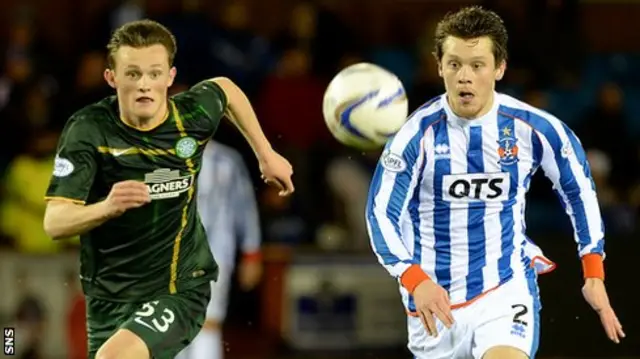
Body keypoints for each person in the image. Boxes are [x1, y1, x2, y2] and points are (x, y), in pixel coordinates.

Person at [365, 6, 624, 359]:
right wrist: (413, 279)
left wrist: (593, 270)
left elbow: (579, 190)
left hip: (505, 288)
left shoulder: (534, 129)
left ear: (499, 68)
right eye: (454, 64)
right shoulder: (414, 137)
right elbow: (380, 214)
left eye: (477, 65)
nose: (464, 77)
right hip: (432, 299)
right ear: (439, 66)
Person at [43, 19, 294, 359]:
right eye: (132, 74)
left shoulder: (189, 118)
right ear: (111, 78)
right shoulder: (88, 131)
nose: (145, 84)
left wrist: (266, 154)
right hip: (109, 296)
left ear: (170, 78)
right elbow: (54, 222)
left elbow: (225, 88)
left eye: (154, 73)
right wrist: (106, 207)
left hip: (180, 286)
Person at [176, 140, 263, 359]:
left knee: (207, 323)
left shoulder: (226, 160)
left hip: (214, 255)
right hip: (164, 258)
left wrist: (252, 252)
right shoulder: (157, 156)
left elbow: (245, 207)